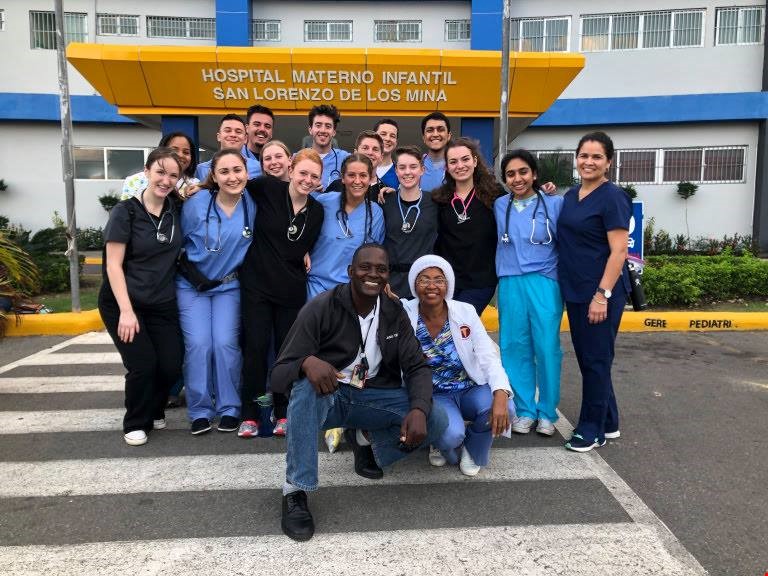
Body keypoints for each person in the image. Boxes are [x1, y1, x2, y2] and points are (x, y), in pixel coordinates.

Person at [273, 243, 448, 542]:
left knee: (437, 418)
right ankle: (296, 490)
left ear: (388, 276)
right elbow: (278, 373)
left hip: (371, 396)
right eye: (365, 267)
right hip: (330, 396)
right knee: (304, 389)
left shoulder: (394, 312)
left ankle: (364, 440)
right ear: (350, 272)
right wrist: (306, 362)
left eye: (381, 269)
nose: (373, 274)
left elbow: (418, 366)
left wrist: (418, 409)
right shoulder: (321, 306)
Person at [99, 148, 184, 446]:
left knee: (172, 363)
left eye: (173, 175)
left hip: (160, 301)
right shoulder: (125, 212)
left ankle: (156, 406)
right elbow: (113, 264)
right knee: (143, 363)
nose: (166, 180)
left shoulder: (176, 210)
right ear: (146, 172)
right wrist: (126, 310)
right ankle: (136, 420)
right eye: (160, 172)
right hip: (123, 301)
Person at [239, 149, 325, 438]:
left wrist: (305, 253)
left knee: (287, 354)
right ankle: (250, 414)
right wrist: (196, 188)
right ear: (290, 169)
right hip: (257, 286)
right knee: (255, 349)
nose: (308, 180)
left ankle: (282, 410)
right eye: (303, 173)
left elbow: (300, 246)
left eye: (314, 176)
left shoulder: (317, 210)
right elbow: (232, 185)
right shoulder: (267, 188)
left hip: (290, 289)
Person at [401, 255, 511, 476]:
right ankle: (438, 440)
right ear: (414, 284)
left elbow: (488, 357)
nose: (432, 286)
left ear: (448, 285)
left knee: (504, 407)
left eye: (439, 280)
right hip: (433, 395)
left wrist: (501, 393)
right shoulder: (404, 312)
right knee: (451, 435)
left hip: (469, 387)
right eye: (424, 279)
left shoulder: (465, 311)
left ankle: (474, 448)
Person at [558, 131, 631, 453]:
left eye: (596, 157)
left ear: (609, 162)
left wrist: (602, 294)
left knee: (596, 360)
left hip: (599, 292)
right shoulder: (572, 195)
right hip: (575, 290)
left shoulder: (613, 197)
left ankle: (591, 430)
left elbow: (619, 252)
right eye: (584, 155)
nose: (588, 162)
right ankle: (609, 421)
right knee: (591, 359)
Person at [177, 149, 257, 435]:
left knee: (225, 344)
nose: (232, 177)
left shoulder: (253, 202)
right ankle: (199, 410)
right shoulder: (197, 202)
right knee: (199, 345)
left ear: (247, 172)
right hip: (192, 286)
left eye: (237, 170)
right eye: (224, 172)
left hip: (228, 286)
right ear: (213, 175)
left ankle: (229, 407)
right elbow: (179, 243)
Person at [495, 149, 564, 436]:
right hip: (510, 281)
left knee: (546, 346)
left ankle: (547, 412)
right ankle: (524, 409)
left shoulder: (554, 203)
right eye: (511, 174)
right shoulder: (499, 205)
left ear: (534, 174)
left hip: (544, 281)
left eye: (523, 172)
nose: (517, 178)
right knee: (513, 346)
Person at [433, 137, 502, 315]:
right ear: (447, 167)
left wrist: (543, 189)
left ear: (475, 161)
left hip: (481, 282)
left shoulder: (495, 195)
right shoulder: (439, 199)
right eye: (453, 162)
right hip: (448, 281)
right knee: (454, 333)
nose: (460, 165)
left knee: (460, 322)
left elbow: (523, 200)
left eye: (465, 159)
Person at [306, 154, 385, 299]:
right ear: (342, 178)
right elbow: (303, 232)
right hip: (316, 288)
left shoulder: (376, 213)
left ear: (370, 179)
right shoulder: (323, 202)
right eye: (351, 175)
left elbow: (376, 256)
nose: (357, 181)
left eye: (363, 175)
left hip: (352, 293)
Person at [381, 145, 438, 296]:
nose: (407, 172)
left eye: (413, 167)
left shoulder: (435, 202)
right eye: (402, 167)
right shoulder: (386, 202)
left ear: (422, 170)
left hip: (425, 283)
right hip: (391, 284)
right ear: (396, 171)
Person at [121, 132, 200, 200]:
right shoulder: (135, 181)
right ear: (162, 151)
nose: (180, 155)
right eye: (174, 150)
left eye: (186, 152)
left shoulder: (194, 185)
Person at [325, 131, 389, 202]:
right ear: (355, 153)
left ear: (381, 157)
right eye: (365, 148)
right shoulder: (337, 186)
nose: (370, 152)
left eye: (375, 149)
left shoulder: (385, 192)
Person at [195, 114, 261, 181]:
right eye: (228, 131)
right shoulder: (201, 169)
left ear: (245, 139)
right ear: (219, 137)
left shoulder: (259, 168)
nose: (233, 135)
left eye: (238, 132)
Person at [307, 104, 350, 190]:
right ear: (310, 130)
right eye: (318, 125)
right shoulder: (297, 158)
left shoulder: (346, 158)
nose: (323, 130)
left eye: (328, 126)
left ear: (334, 132)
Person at [420, 112, 452, 192]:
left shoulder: (458, 166)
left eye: (440, 129)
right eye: (430, 130)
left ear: (449, 136)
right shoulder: (415, 166)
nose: (435, 134)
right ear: (424, 137)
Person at [374, 118, 400, 189]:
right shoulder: (361, 169)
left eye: (392, 136)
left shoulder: (400, 173)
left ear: (396, 142)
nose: (388, 139)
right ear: (374, 137)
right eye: (383, 134)